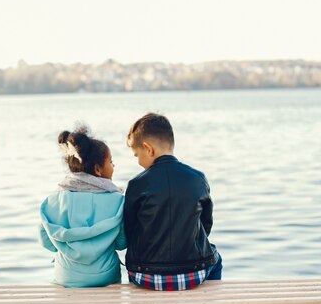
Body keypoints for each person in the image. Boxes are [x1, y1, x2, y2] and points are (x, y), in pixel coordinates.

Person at [123, 113, 221, 291]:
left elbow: (130, 230)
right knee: (216, 258)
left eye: (137, 155)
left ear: (148, 149)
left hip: (144, 275)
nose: (138, 161)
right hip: (194, 274)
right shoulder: (198, 178)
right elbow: (206, 224)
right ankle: (213, 302)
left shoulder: (137, 184)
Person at [39, 125, 126, 287]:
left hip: (66, 276)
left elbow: (46, 242)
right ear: (98, 169)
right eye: (111, 162)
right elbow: (122, 243)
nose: (114, 166)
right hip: (105, 277)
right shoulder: (118, 201)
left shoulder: (53, 200)